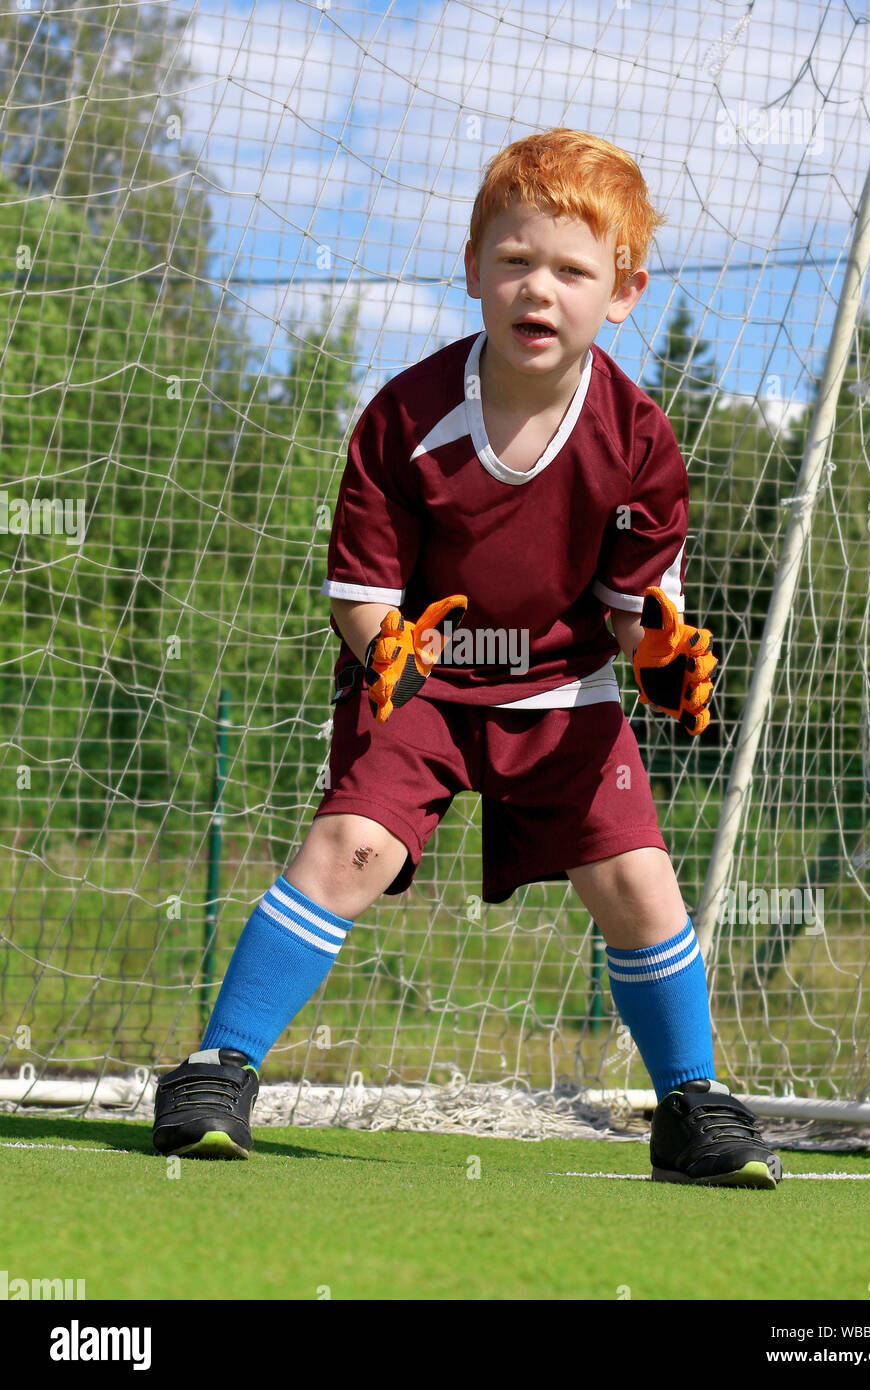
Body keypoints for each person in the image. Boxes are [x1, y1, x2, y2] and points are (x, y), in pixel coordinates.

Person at [153, 129, 781, 1188]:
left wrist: (662, 657)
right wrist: (384, 654)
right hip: (427, 686)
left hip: (564, 688)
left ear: (621, 292)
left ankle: (691, 1101)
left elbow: (639, 610)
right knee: (352, 847)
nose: (541, 289)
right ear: (473, 271)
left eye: (574, 270)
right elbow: (361, 591)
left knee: (636, 880)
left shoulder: (639, 439)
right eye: (516, 261)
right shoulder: (404, 416)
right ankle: (216, 1070)